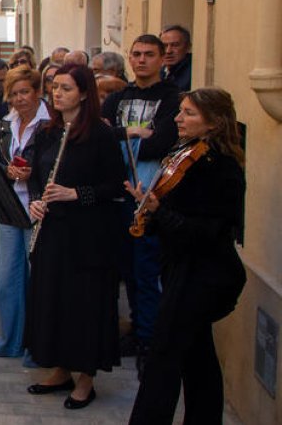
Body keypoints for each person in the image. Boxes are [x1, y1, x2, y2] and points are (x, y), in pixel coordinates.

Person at [127, 88, 246, 424]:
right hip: (184, 268)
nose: (178, 119)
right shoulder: (187, 154)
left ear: (214, 122)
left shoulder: (220, 168)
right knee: (197, 356)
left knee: (163, 358)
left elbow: (207, 232)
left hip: (205, 273)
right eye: (180, 111)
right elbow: (172, 217)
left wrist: (158, 211)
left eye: (189, 113)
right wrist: (148, 212)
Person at [24, 63, 125, 411]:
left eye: (66, 88)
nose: (58, 93)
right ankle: (61, 370)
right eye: (55, 87)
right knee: (53, 300)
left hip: (88, 237)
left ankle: (86, 380)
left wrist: (76, 194)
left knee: (83, 305)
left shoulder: (101, 134)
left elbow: (115, 187)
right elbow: (36, 175)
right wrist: (37, 201)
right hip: (53, 231)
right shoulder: (48, 131)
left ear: (83, 93)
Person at [101, 34, 180, 368]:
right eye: (136, 54)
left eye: (150, 54)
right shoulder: (118, 98)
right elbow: (101, 140)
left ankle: (150, 339)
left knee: (148, 273)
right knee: (127, 273)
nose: (142, 59)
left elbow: (160, 144)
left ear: (163, 58)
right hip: (116, 197)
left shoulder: (173, 99)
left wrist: (120, 138)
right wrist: (132, 134)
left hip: (150, 199)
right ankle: (135, 329)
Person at [0, 66, 49, 360]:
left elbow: (54, 165)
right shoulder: (5, 124)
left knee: (37, 281)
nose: (19, 99)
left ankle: (38, 346)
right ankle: (11, 340)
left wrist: (32, 174)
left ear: (37, 92)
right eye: (14, 94)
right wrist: (6, 171)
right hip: (10, 207)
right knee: (8, 279)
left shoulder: (50, 125)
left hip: (39, 208)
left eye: (25, 92)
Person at [160, 25, 193, 91]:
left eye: (175, 45)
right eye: (164, 46)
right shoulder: (159, 72)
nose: (168, 51)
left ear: (188, 47)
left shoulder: (192, 72)